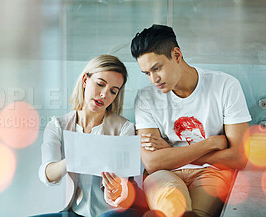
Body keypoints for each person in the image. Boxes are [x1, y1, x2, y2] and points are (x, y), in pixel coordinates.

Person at [131, 24, 251, 217]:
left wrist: (171, 153)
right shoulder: (145, 98)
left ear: (176, 55)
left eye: (157, 68)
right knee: (173, 209)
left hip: (211, 173)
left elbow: (239, 157)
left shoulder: (225, 86)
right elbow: (152, 163)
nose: (153, 79)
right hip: (164, 174)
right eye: (147, 73)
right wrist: (210, 143)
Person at [34, 55, 148, 217]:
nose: (104, 95)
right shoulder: (57, 126)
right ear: (85, 80)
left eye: (113, 91)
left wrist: (115, 188)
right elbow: (47, 175)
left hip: (114, 210)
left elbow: (122, 187)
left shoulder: (124, 128)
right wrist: (72, 160)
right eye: (100, 84)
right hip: (75, 211)